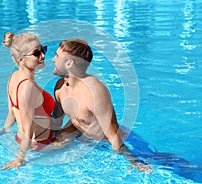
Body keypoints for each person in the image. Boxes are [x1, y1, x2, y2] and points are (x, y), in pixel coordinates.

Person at [51, 38, 152, 173]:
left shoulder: (94, 92)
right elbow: (56, 120)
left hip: (113, 141)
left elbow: (113, 136)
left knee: (159, 162)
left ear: (69, 63)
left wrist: (133, 161)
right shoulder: (60, 87)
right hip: (81, 134)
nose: (52, 59)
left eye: (57, 56)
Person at [0, 32, 56, 170]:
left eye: (43, 49)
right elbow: (27, 128)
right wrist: (19, 159)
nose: (43, 56)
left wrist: (4, 129)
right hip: (42, 144)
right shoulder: (28, 87)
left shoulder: (14, 77)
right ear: (21, 60)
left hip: (21, 140)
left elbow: (12, 111)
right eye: (36, 53)